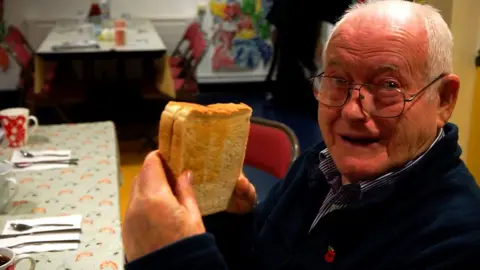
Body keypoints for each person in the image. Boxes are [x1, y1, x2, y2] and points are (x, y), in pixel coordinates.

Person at [122, 1, 480, 269]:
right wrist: (231, 223)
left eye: (388, 86)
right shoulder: (318, 166)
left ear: (444, 100)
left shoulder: (458, 241)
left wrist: (174, 259)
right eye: (337, 81)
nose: (352, 111)